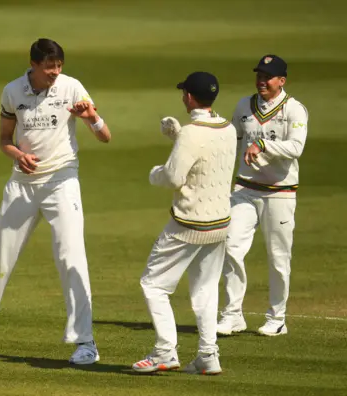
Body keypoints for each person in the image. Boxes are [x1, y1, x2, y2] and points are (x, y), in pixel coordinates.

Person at [0, 38, 111, 365]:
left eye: (58, 67)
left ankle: (85, 342)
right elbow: (4, 140)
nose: (54, 73)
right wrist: (17, 155)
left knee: (72, 256)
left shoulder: (72, 88)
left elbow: (105, 136)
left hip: (62, 179)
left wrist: (91, 118)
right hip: (22, 184)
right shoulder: (13, 91)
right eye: (48, 68)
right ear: (33, 65)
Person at [131, 72, 236, 375]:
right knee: (205, 289)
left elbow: (174, 177)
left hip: (189, 223)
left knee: (153, 285)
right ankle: (208, 355)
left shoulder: (192, 132)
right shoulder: (227, 128)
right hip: (219, 224)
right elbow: (209, 154)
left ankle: (165, 351)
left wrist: (155, 172)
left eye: (184, 94)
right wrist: (178, 136)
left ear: (189, 97)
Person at [218, 55, 309, 337]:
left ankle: (277, 318)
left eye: (268, 76)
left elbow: (296, 147)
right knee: (230, 247)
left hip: (280, 194)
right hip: (245, 190)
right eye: (259, 75)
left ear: (282, 81)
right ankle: (232, 315)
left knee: (278, 257)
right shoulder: (244, 105)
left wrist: (262, 145)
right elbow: (230, 142)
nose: (261, 81)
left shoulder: (295, 110)